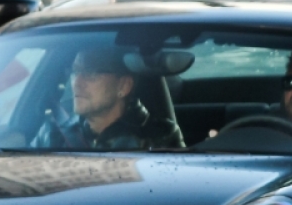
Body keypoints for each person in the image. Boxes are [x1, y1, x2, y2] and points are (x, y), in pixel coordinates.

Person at [31, 48, 185, 150]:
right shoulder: (52, 134)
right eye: (75, 72)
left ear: (124, 86)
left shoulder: (159, 138)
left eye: (90, 74)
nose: (76, 83)